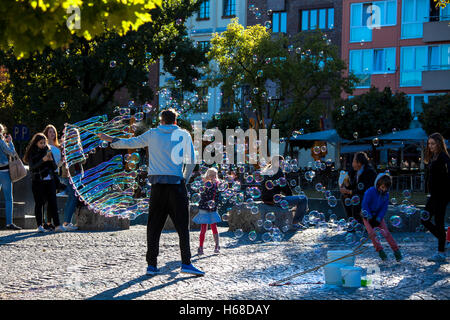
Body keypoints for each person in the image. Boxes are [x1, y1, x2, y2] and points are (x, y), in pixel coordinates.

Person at [98, 108, 203, 276]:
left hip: (157, 187)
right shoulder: (183, 134)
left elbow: (131, 143)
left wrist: (112, 140)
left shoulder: (153, 133)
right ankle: (186, 263)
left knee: (154, 226)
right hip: (176, 185)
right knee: (183, 226)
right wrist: (184, 179)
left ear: (161, 121)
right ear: (175, 121)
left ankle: (152, 265)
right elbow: (191, 161)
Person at [23, 133, 66, 233]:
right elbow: (32, 167)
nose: (43, 145)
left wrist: (50, 161)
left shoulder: (48, 150)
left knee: (53, 202)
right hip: (37, 180)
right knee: (39, 203)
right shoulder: (32, 153)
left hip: (49, 179)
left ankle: (57, 225)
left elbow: (55, 167)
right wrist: (43, 160)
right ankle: (39, 225)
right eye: (41, 143)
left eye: (44, 142)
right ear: (36, 143)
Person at [422, 133, 450, 262]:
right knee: (425, 220)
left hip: (441, 196)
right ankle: (443, 240)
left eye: (433, 143)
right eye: (429, 143)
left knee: (438, 222)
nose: (430, 146)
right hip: (434, 195)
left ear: (439, 143)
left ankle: (441, 251)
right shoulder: (434, 156)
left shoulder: (444, 157)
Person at [361, 173, 402, 262]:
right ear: (378, 184)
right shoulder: (370, 191)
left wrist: (379, 218)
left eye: (386, 188)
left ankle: (396, 251)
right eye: (382, 187)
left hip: (378, 216)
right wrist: (370, 217)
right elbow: (365, 205)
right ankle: (381, 252)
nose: (383, 189)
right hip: (367, 216)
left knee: (386, 233)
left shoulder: (386, 195)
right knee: (372, 234)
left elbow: (384, 208)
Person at [260, 155, 308, 228]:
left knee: (295, 199)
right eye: (282, 162)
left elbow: (270, 189)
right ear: (276, 163)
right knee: (303, 199)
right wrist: (293, 201)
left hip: (266, 199)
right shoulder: (279, 172)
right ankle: (295, 222)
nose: (283, 164)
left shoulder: (267, 171)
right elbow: (286, 190)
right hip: (274, 201)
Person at [340, 152, 377, 224]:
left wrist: (349, 192)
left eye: (353, 161)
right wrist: (347, 186)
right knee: (344, 197)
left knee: (356, 197)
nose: (352, 164)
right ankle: (351, 221)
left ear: (359, 163)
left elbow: (365, 189)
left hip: (370, 196)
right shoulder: (355, 172)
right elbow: (354, 186)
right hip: (359, 194)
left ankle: (359, 222)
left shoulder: (369, 172)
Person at [193, 167, 222, 255]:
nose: (212, 177)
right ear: (207, 175)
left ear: (216, 176)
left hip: (212, 209)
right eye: (210, 175)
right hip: (204, 208)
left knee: (214, 227)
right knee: (203, 229)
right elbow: (201, 195)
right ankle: (200, 246)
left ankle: (217, 245)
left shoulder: (218, 184)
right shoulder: (204, 184)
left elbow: (218, 196)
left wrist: (215, 203)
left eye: (214, 175)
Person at [59, 127, 83, 231]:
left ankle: (66, 222)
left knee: (71, 198)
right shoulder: (65, 146)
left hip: (77, 174)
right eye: (72, 135)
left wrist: (79, 153)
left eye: (75, 135)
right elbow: (63, 162)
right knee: (73, 198)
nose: (73, 136)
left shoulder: (78, 146)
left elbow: (83, 161)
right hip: (69, 175)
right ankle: (67, 222)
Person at [0, 124, 21, 230]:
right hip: (3, 172)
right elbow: (12, 153)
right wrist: (10, 142)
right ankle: (9, 223)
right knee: (9, 199)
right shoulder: (1, 142)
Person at [43, 124, 64, 231]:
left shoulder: (58, 146)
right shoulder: (44, 146)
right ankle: (45, 222)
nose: (52, 133)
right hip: (46, 174)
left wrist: (62, 161)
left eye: (54, 132)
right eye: (50, 132)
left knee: (52, 199)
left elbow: (59, 164)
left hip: (55, 174)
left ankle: (49, 222)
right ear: (46, 133)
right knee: (46, 200)